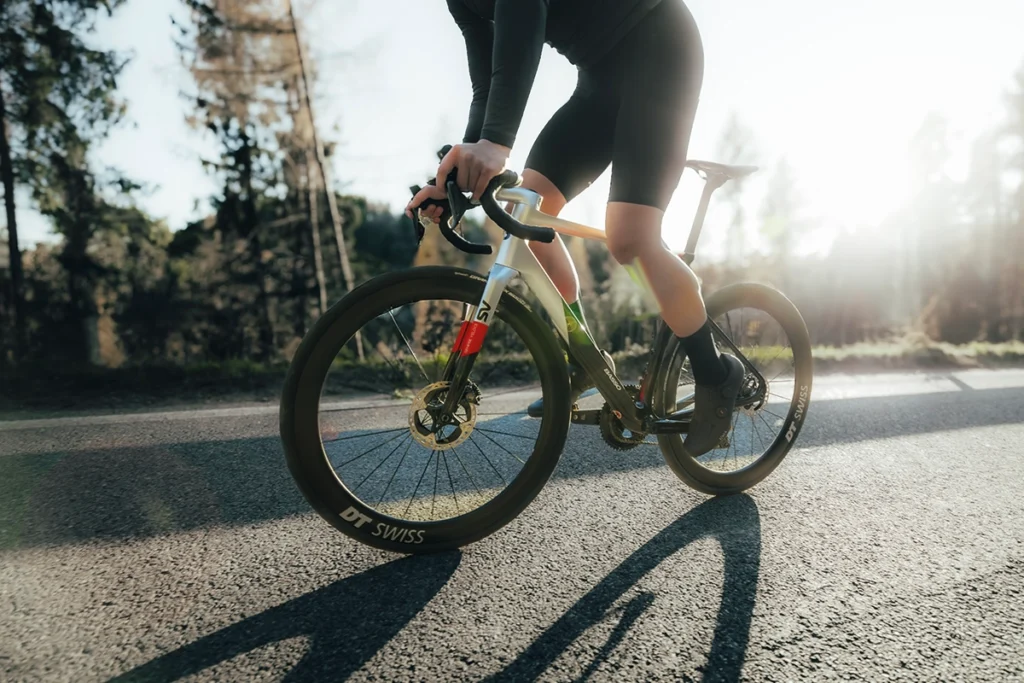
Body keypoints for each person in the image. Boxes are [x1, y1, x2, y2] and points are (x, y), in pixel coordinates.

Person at [406, 0, 742, 456]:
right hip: (599, 80)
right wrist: (457, 177)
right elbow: (486, 83)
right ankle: (583, 358)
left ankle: (716, 377)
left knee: (631, 239)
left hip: (660, 50)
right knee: (526, 214)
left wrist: (495, 145)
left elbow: (524, 15)